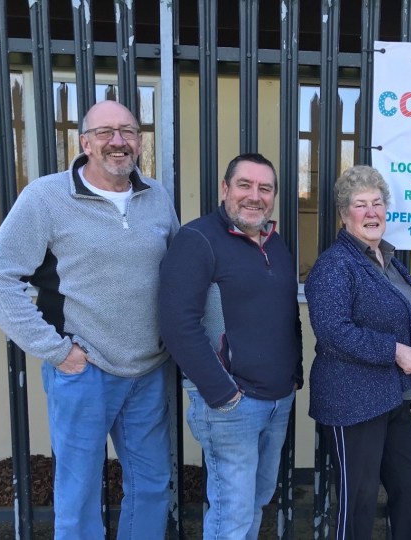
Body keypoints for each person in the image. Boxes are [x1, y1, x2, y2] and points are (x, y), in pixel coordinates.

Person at [0, 100, 179, 539]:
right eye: (106, 132)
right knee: (79, 495)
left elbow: (181, 273)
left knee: (151, 488)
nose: (118, 141)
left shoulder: (157, 196)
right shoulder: (47, 197)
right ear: (85, 142)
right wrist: (58, 352)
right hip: (84, 372)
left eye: (128, 131)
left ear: (140, 141)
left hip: (148, 371)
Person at [159, 153, 302, 540]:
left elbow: (287, 311)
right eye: (245, 185)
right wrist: (222, 394)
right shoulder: (197, 240)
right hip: (231, 404)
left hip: (277, 400)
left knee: (256, 501)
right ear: (225, 189)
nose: (254, 196)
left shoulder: (276, 243)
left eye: (265, 188)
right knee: (232, 514)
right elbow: (177, 325)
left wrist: (293, 377)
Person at [305, 165, 411, 540]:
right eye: (360, 204)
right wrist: (395, 351)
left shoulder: (388, 261)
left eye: (377, 203)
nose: (371, 212)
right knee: (358, 501)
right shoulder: (335, 265)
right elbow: (333, 331)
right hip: (351, 401)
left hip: (390, 398)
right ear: (345, 214)